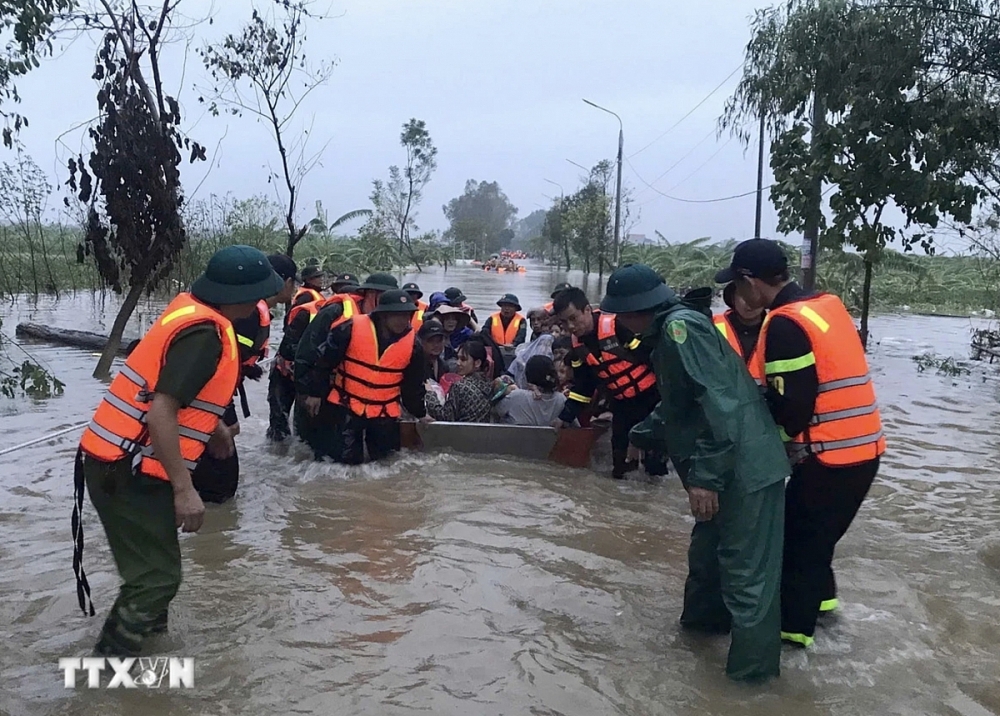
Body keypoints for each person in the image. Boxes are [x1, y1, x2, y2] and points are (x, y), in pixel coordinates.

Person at [73, 245, 284, 656]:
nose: (264, 301)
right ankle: (100, 677)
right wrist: (185, 490)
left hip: (117, 462)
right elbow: (160, 414)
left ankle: (145, 667)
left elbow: (170, 394)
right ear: (240, 295)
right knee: (156, 580)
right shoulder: (205, 335)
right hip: (126, 468)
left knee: (156, 575)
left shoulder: (194, 316)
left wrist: (216, 427)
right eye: (261, 293)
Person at [601, 263, 789, 683]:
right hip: (727, 465)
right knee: (706, 562)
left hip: (742, 471)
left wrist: (705, 477)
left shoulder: (679, 331)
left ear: (634, 311)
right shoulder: (671, 333)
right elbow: (680, 404)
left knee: (747, 580)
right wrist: (641, 433)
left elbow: (718, 405)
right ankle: (699, 641)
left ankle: (751, 685)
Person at [716, 238, 885, 648]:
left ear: (750, 282)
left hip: (828, 457)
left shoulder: (786, 323)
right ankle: (826, 614)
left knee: (795, 549)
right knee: (816, 541)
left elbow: (793, 409)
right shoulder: (826, 305)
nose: (740, 297)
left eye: (739, 287)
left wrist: (758, 453)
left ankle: (793, 645)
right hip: (864, 450)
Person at [296, 289, 429, 463]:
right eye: (396, 315)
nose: (402, 320)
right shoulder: (350, 328)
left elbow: (413, 386)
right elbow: (324, 363)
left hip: (383, 411)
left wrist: (420, 413)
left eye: (406, 315)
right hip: (345, 404)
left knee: (384, 463)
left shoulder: (414, 346)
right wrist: (314, 393)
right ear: (382, 315)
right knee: (344, 461)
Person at [551, 287, 667, 480]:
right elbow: (583, 388)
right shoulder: (577, 347)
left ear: (587, 310)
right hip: (621, 404)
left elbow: (650, 357)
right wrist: (564, 417)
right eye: (564, 322)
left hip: (651, 399)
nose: (570, 326)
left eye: (573, 318)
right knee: (619, 464)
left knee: (655, 464)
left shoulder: (618, 326)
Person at [425, 337, 495, 423]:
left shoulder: (460, 387)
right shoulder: (489, 384)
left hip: (462, 434)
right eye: (458, 358)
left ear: (477, 363)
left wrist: (430, 394)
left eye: (463, 359)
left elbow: (445, 416)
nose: (458, 363)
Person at [494, 355, 567, 426]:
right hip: (551, 438)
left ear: (527, 375)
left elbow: (495, 410)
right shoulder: (561, 399)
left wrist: (507, 389)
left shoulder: (517, 396)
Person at [713, 281, 764, 364]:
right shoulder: (711, 325)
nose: (749, 303)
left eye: (755, 296)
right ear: (732, 298)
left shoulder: (779, 327)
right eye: (743, 296)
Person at [426, 304, 474, 369]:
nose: (451, 322)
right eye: (447, 319)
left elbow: (478, 332)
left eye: (454, 319)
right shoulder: (432, 335)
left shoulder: (452, 340)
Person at [417, 319, 450, 383]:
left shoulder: (444, 366)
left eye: (439, 340)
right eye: (431, 341)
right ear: (421, 341)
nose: (436, 345)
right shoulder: (414, 366)